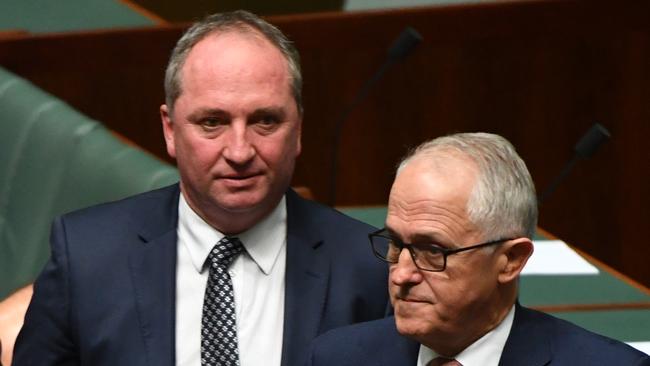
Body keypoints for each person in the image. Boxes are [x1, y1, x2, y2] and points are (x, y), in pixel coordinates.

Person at [13, 10, 388, 366]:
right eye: (212, 122)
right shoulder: (86, 257)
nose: (240, 151)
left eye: (265, 121)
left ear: (299, 129)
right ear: (170, 129)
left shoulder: (369, 269)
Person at [306, 132, 650, 366]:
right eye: (397, 244)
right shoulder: (338, 357)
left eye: (432, 251)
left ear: (510, 260)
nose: (402, 274)